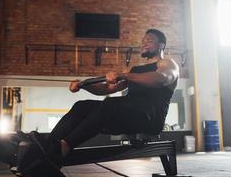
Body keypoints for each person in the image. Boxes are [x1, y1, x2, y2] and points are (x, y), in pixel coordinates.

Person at [25, 28, 179, 168]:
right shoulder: (135, 70)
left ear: (161, 45)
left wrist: (123, 75)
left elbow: (161, 79)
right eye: (143, 41)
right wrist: (84, 85)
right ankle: (47, 146)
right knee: (82, 106)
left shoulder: (167, 64)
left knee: (111, 104)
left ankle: (64, 147)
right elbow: (107, 89)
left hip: (150, 119)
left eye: (150, 41)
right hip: (127, 115)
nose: (144, 44)